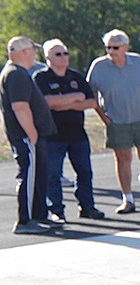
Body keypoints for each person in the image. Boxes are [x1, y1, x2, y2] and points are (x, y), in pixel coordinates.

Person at [88, 29, 140, 214]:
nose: (111, 51)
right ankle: (128, 199)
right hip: (117, 121)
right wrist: (104, 117)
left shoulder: (139, 63)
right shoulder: (98, 66)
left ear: (125, 47)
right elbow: (91, 94)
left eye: (115, 47)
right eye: (108, 47)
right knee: (123, 158)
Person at [33, 41, 105, 222]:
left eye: (65, 53)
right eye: (58, 54)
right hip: (53, 135)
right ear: (48, 57)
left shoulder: (76, 77)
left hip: (77, 134)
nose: (63, 57)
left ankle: (87, 206)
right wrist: (74, 99)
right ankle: (57, 210)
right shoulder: (41, 78)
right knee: (53, 175)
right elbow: (46, 102)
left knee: (84, 172)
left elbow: (90, 102)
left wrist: (62, 103)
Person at [5, 35, 56, 234]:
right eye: (33, 50)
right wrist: (32, 134)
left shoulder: (18, 73)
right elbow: (20, 107)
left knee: (38, 176)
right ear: (24, 52)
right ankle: (25, 221)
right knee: (29, 175)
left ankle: (39, 215)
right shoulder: (16, 74)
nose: (35, 54)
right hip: (26, 137)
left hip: (30, 136)